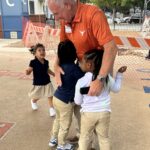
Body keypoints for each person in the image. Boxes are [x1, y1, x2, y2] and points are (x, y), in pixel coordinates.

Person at [48, 0, 118, 142]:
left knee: (96, 106)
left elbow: (111, 48)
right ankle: (83, 137)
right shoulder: (65, 20)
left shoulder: (93, 15)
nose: (55, 18)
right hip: (82, 68)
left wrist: (100, 79)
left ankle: (100, 138)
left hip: (99, 70)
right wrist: (56, 66)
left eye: (56, 13)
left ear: (67, 5)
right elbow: (63, 46)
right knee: (81, 106)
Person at [74, 50, 127, 150]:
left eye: (82, 61)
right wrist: (119, 74)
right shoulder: (106, 78)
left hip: (88, 114)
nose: (80, 63)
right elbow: (116, 89)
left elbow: (78, 102)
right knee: (104, 138)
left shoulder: (81, 81)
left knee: (84, 137)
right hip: (104, 112)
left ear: (89, 65)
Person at [48, 40, 84, 150]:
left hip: (57, 98)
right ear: (74, 53)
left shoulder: (61, 66)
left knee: (58, 120)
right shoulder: (74, 69)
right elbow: (83, 78)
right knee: (65, 124)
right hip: (65, 102)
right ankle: (61, 145)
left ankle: (53, 139)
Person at [26, 43, 56, 117]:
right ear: (35, 53)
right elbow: (29, 70)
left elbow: (47, 69)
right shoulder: (33, 62)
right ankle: (33, 101)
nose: (42, 52)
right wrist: (28, 71)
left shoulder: (46, 62)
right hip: (38, 83)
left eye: (43, 50)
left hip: (47, 81)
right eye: (39, 50)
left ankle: (51, 108)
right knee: (37, 96)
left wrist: (53, 74)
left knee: (50, 95)